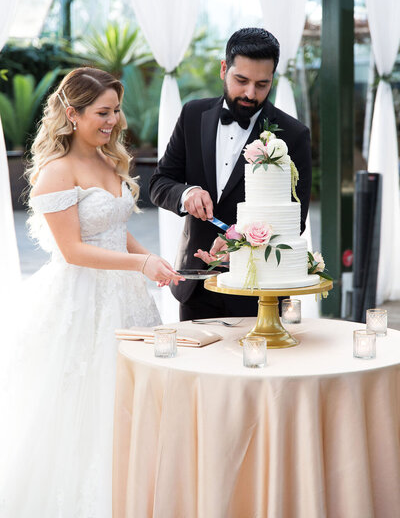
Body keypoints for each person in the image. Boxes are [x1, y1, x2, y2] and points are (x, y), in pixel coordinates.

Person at [0, 67, 183, 517]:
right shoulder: (55, 173)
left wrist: (154, 262)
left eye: (116, 111)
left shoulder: (108, 160)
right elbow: (74, 251)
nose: (114, 121)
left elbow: (117, 232)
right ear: (72, 113)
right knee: (88, 403)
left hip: (127, 298)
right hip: (81, 302)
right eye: (103, 112)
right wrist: (138, 263)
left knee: (136, 399)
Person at [149, 27, 312, 321]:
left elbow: (294, 221)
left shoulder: (294, 135)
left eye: (262, 84)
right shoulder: (192, 115)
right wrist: (186, 194)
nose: (251, 93)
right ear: (224, 69)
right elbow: (159, 183)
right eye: (241, 80)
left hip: (259, 289)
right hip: (196, 282)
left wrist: (242, 244)